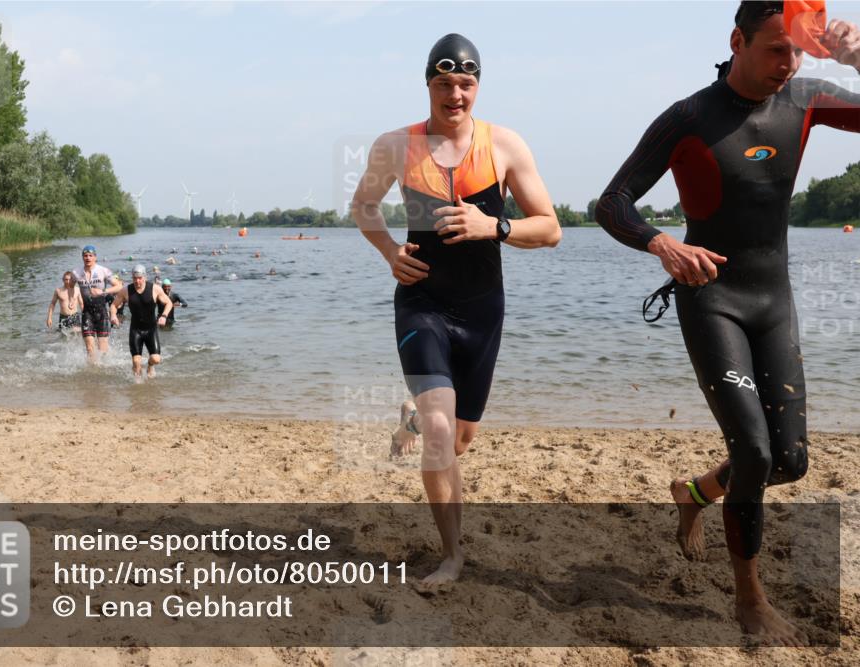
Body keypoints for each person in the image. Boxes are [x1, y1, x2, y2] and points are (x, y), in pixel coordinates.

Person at [594, 2, 859, 646]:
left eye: (795, 50)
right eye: (774, 49)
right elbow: (612, 201)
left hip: (774, 300)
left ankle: (692, 493)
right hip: (711, 297)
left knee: (789, 461)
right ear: (737, 40)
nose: (786, 64)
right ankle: (750, 599)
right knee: (754, 448)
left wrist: (855, 58)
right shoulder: (691, 117)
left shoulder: (807, 97)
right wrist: (663, 245)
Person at [351, 33, 560, 589]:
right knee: (443, 432)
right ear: (428, 85)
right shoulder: (395, 146)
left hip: (482, 310)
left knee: (458, 437)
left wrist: (495, 226)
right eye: (444, 84)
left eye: (465, 84)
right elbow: (363, 206)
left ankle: (412, 419)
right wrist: (390, 251)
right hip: (421, 302)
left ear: (477, 87)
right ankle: (452, 556)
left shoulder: (506, 145)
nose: (455, 95)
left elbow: (552, 229)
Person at [110, 265, 172, 382]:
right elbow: (113, 305)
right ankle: (137, 390)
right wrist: (113, 315)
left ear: (145, 277)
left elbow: (169, 303)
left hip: (151, 330)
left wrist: (163, 316)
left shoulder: (155, 289)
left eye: (139, 278)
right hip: (136, 330)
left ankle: (150, 366)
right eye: (134, 278)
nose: (137, 281)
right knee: (136, 362)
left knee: (156, 359)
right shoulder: (126, 290)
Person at [73, 245, 124, 361]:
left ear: (95, 257)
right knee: (90, 350)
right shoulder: (76, 272)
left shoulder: (103, 270)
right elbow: (70, 287)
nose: (88, 258)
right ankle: (92, 372)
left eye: (90, 256)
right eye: (85, 256)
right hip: (87, 312)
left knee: (103, 351)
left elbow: (119, 286)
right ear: (82, 258)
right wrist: (72, 301)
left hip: (102, 311)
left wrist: (103, 291)